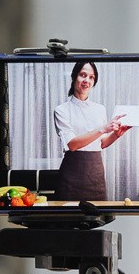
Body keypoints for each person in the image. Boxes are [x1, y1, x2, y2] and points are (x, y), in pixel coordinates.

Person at [52, 61, 129, 201]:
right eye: (83, 75)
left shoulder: (100, 109)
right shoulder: (61, 110)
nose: (87, 80)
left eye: (91, 77)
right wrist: (102, 129)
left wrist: (116, 134)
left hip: (95, 174)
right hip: (71, 175)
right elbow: (72, 144)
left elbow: (101, 143)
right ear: (74, 77)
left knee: (96, 217)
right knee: (68, 219)